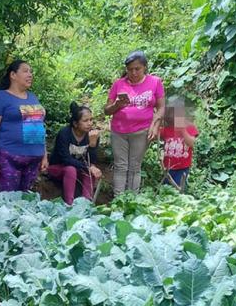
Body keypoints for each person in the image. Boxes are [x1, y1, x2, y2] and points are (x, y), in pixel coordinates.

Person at [103, 50, 165, 196]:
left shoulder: (155, 82)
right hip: (119, 131)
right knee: (120, 165)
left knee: (135, 167)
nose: (134, 72)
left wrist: (155, 125)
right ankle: (119, 199)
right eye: (130, 69)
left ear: (144, 67)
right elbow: (106, 110)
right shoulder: (118, 84)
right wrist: (117, 105)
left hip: (142, 131)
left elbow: (162, 107)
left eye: (137, 69)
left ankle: (131, 200)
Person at [0, 60, 49, 192]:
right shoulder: (0, 97)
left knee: (26, 201)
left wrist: (44, 155)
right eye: (25, 71)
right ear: (13, 75)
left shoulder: (33, 97)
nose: (30, 74)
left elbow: (39, 127)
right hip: (9, 158)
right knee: (9, 203)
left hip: (34, 159)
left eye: (31, 71)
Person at [48, 102, 103, 205]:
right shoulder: (65, 133)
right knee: (71, 169)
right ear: (75, 123)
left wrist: (92, 145)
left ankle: (86, 204)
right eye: (85, 121)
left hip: (79, 169)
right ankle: (69, 204)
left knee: (89, 172)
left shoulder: (92, 136)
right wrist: (88, 166)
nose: (90, 123)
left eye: (91, 120)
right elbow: (65, 159)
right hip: (58, 168)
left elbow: (92, 161)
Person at [160, 95, 199, 192]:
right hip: (168, 167)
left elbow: (191, 143)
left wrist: (182, 130)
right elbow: (154, 135)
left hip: (182, 167)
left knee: (178, 189)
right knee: (166, 189)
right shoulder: (167, 129)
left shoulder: (189, 126)